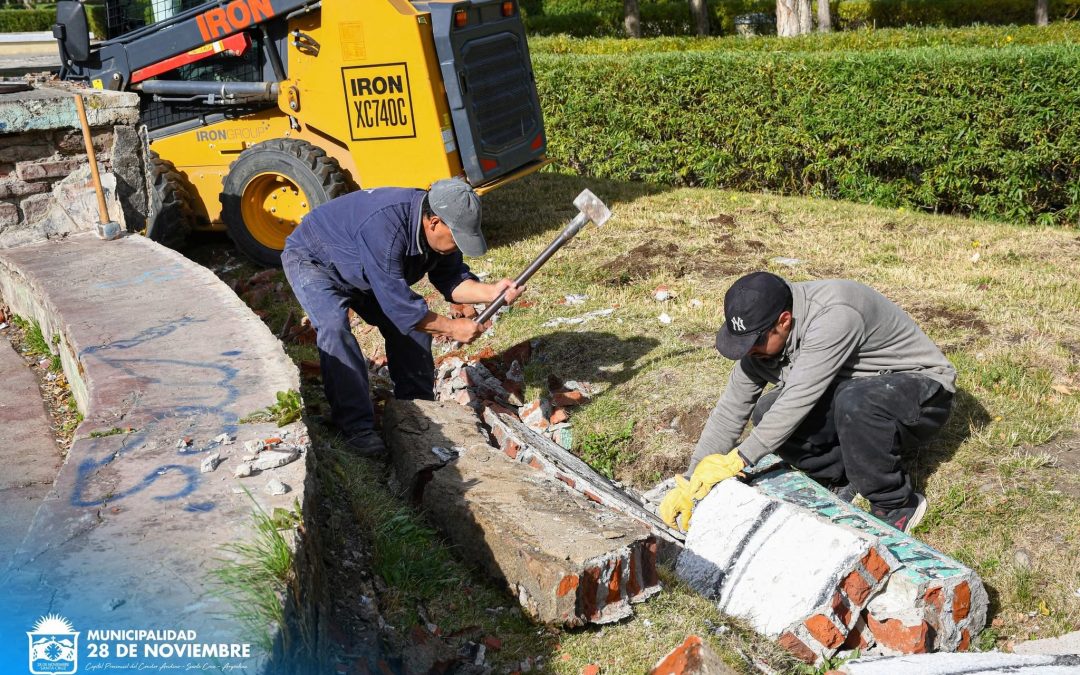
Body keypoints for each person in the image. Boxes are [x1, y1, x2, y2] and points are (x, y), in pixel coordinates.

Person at [660, 271, 955, 534]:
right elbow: (730, 411)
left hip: (919, 392)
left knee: (854, 402)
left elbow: (799, 398)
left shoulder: (834, 315)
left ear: (784, 321)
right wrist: (691, 481)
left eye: (753, 344)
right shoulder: (763, 346)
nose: (748, 353)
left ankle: (895, 504)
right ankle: (840, 478)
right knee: (766, 411)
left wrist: (739, 459)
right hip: (849, 391)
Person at [281, 179, 523, 456]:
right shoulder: (386, 229)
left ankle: (418, 410)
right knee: (335, 328)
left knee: (414, 328)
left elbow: (453, 281)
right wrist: (452, 328)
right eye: (456, 239)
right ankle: (356, 428)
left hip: (363, 268)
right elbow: (402, 309)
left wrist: (492, 292)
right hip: (315, 259)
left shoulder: (441, 234)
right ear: (433, 223)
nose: (457, 247)